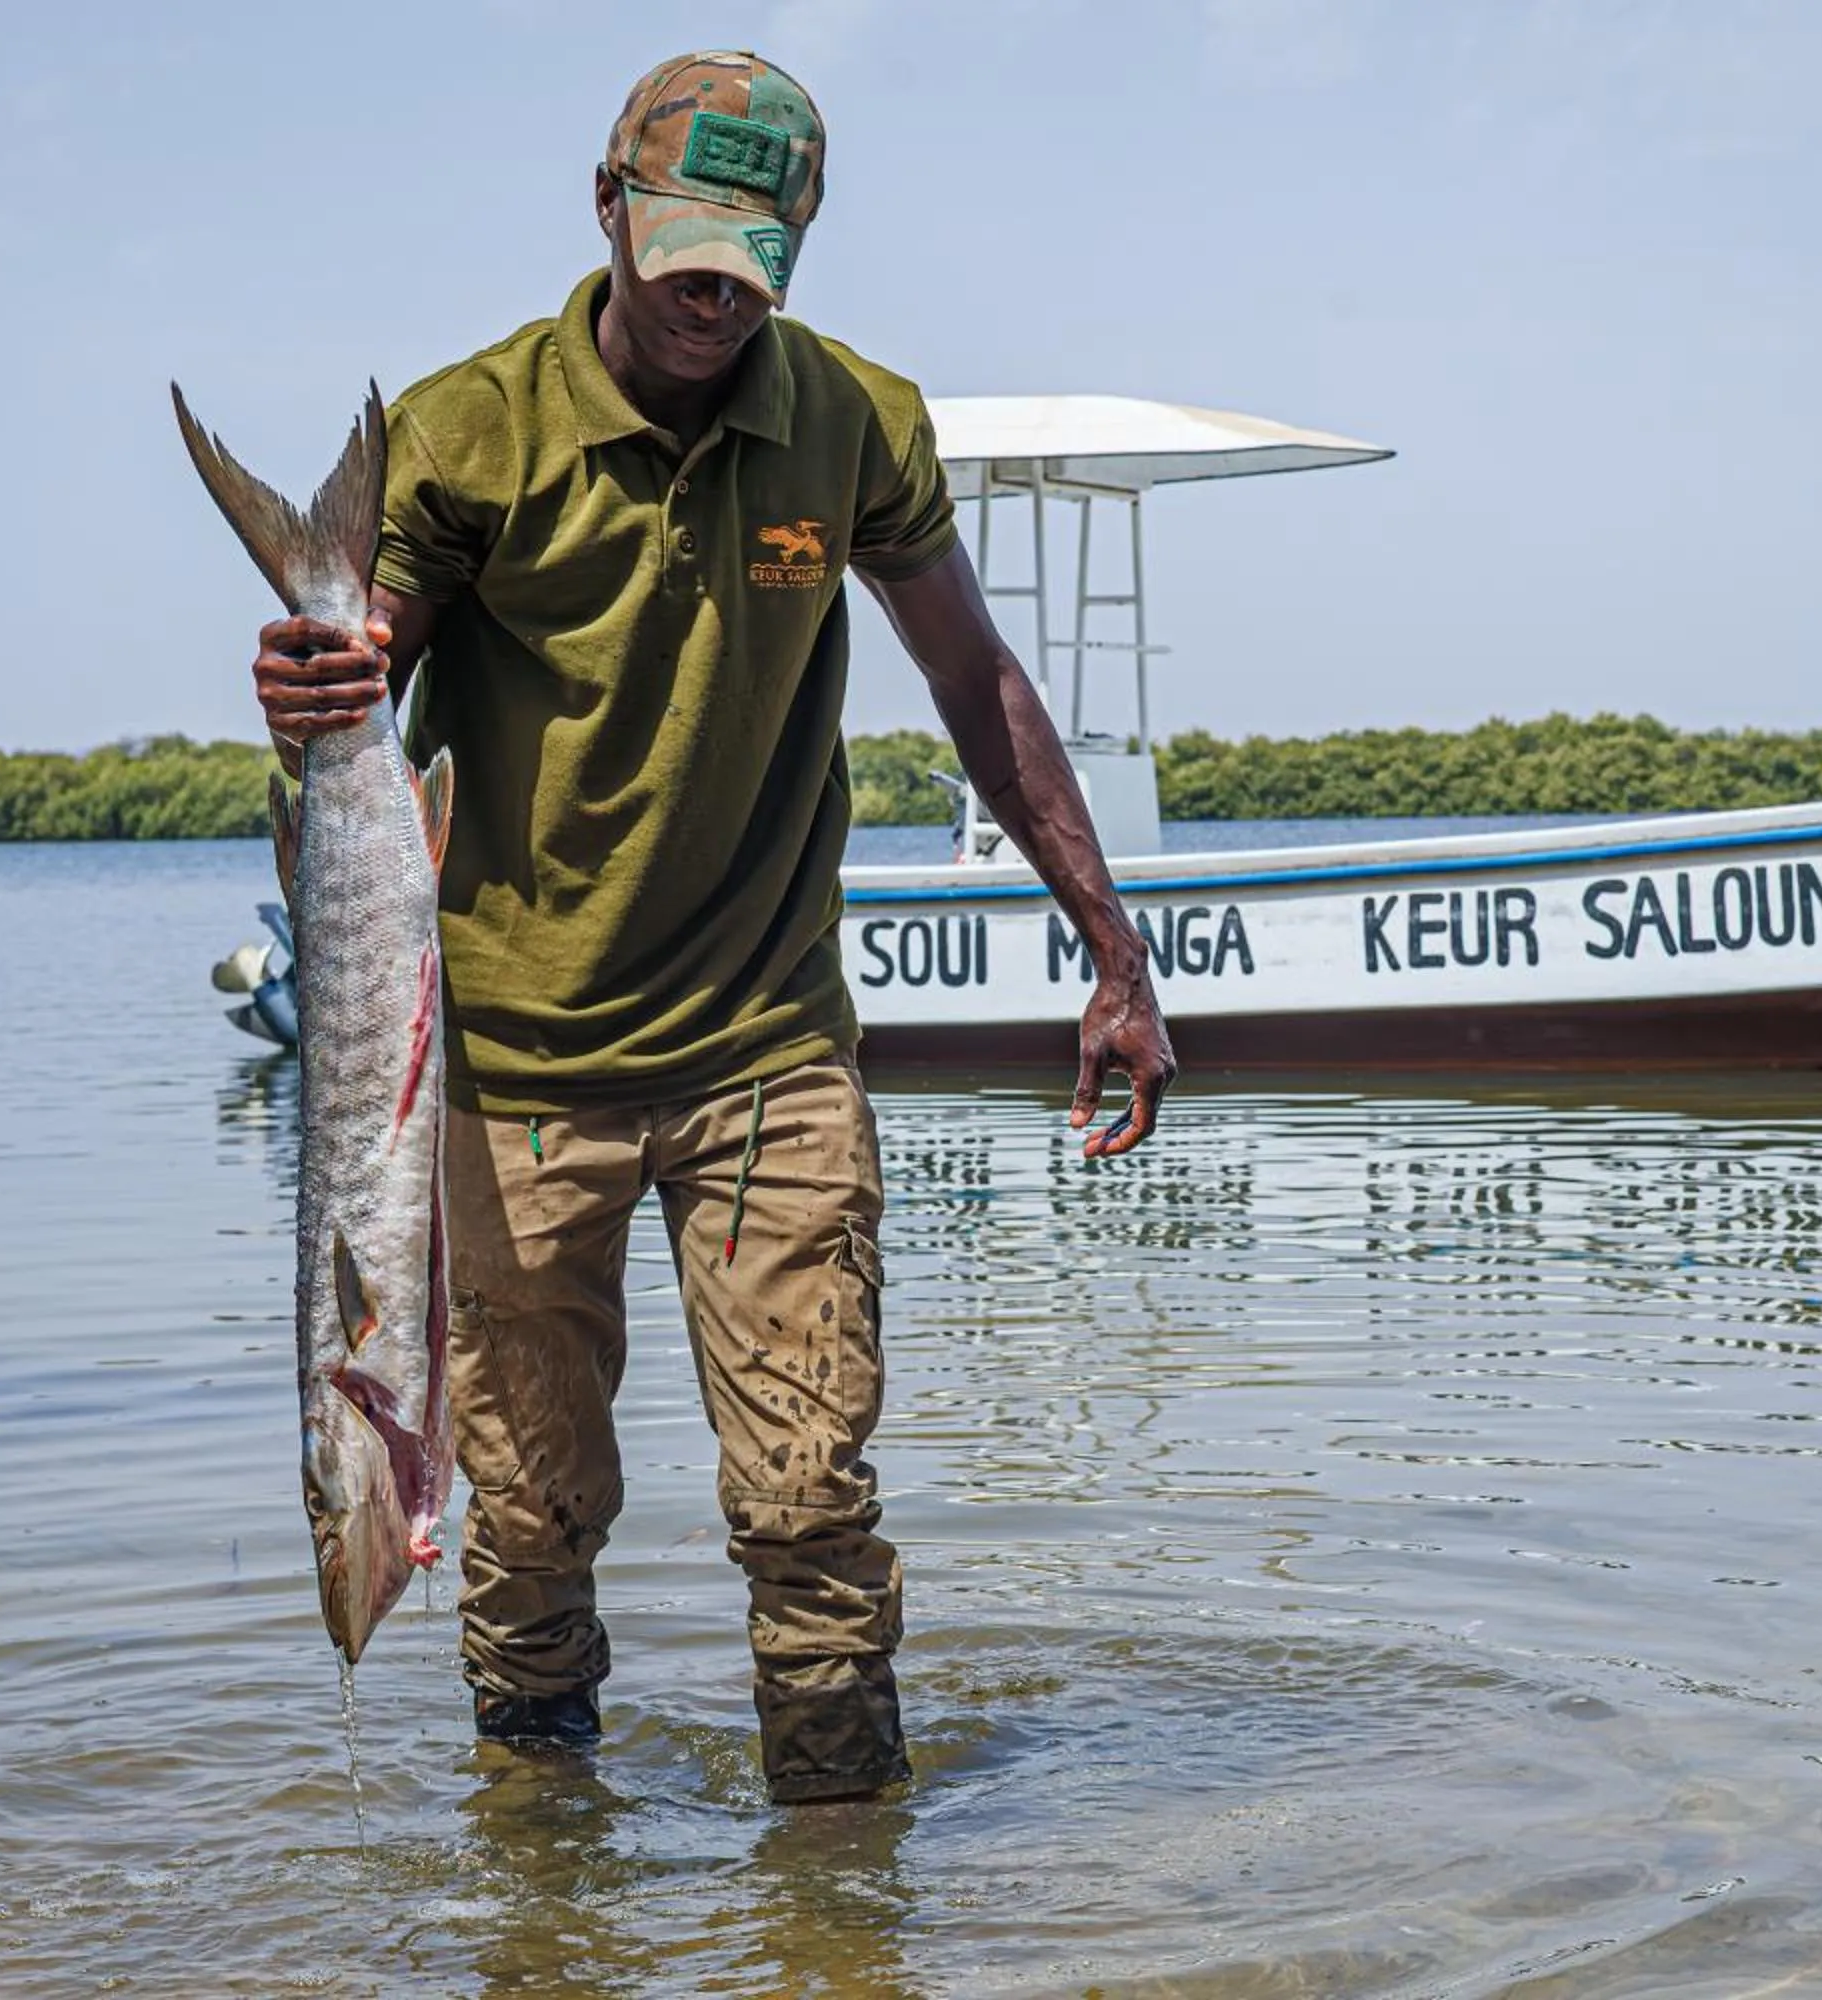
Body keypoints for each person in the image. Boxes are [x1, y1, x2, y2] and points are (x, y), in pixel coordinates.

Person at [247, 49, 1175, 1805]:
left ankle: (839, 1900)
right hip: (514, 1072)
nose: (702, 296)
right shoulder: (469, 431)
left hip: (770, 1053)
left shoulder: (854, 423)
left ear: (797, 247)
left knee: (812, 1505)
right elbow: (354, 703)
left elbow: (974, 678)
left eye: (743, 266)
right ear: (605, 207)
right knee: (521, 1534)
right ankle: (541, 1891)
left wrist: (1116, 955)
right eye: (676, 250)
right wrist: (307, 690)